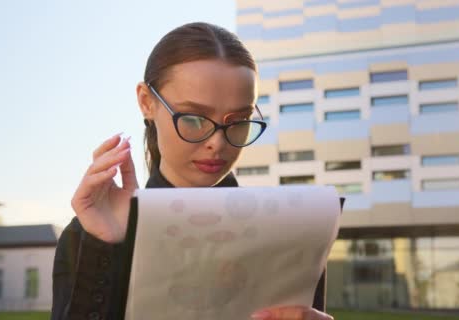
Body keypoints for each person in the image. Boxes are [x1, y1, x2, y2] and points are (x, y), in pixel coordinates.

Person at [51, 22, 334, 320]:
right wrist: (106, 247)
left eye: (238, 121)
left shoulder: (290, 233)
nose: (218, 143)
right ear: (147, 102)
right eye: (195, 119)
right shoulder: (89, 234)